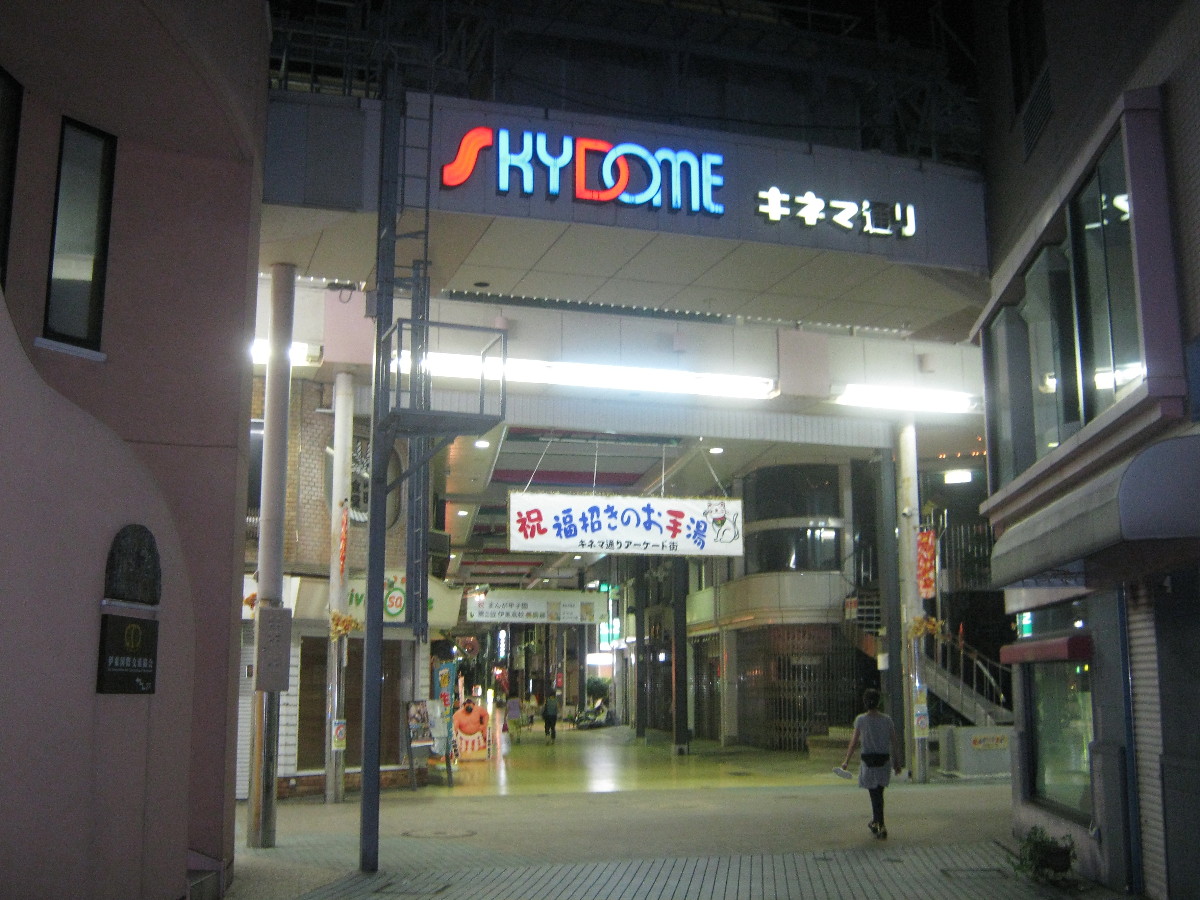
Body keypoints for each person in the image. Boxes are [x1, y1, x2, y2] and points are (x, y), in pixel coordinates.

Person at [839, 687, 903, 839]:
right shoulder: (887, 720)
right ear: (878, 702)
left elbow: (854, 742)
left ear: (865, 702)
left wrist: (846, 761)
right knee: (878, 793)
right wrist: (897, 762)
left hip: (868, 762)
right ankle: (876, 822)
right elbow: (894, 742)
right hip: (883, 762)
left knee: (875, 795)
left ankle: (880, 825)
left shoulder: (861, 720)